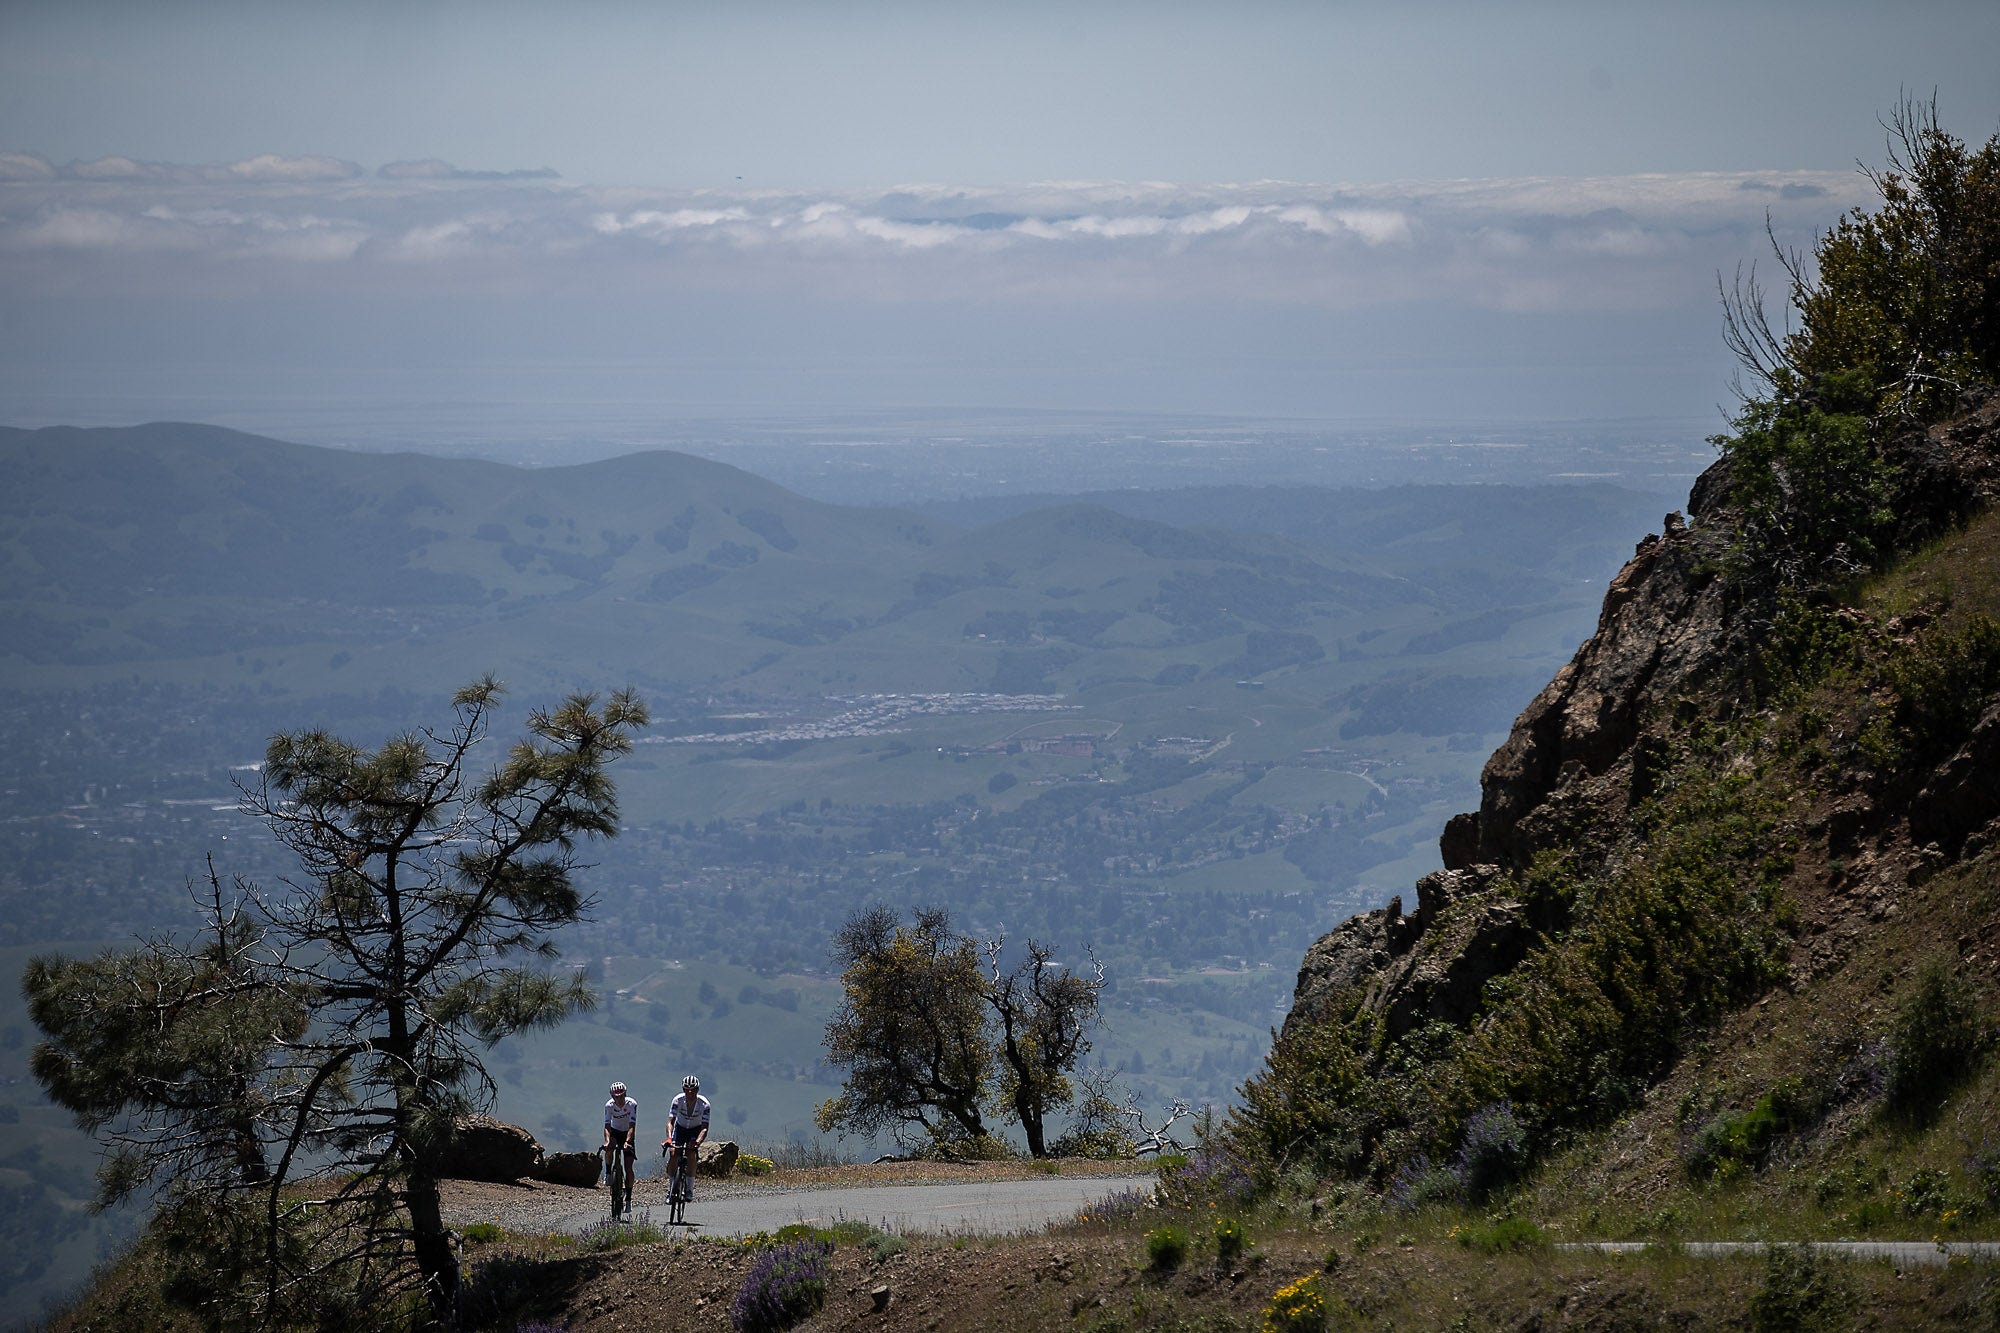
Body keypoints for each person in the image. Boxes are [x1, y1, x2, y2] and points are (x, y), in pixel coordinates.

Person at [661, 1073, 710, 1196]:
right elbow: (670, 1122)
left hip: (695, 1130)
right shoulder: (677, 1100)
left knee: (691, 1154)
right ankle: (671, 1189)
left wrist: (697, 1143)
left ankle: (689, 1189)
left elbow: (704, 1128)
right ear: (683, 1090)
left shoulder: (704, 1104)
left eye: (692, 1090)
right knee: (673, 1153)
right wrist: (669, 1138)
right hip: (680, 1129)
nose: (690, 1093)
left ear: (697, 1090)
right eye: (686, 1090)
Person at [602, 1080, 639, 1209]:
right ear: (612, 1096)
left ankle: (628, 1198)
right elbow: (607, 1126)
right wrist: (607, 1141)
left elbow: (632, 1125)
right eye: (616, 1097)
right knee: (609, 1148)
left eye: (621, 1096)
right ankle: (608, 1172)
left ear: (625, 1094)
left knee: (628, 1167)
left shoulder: (631, 1104)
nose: (619, 1099)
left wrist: (628, 1142)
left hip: (627, 1133)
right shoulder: (609, 1106)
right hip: (615, 1131)